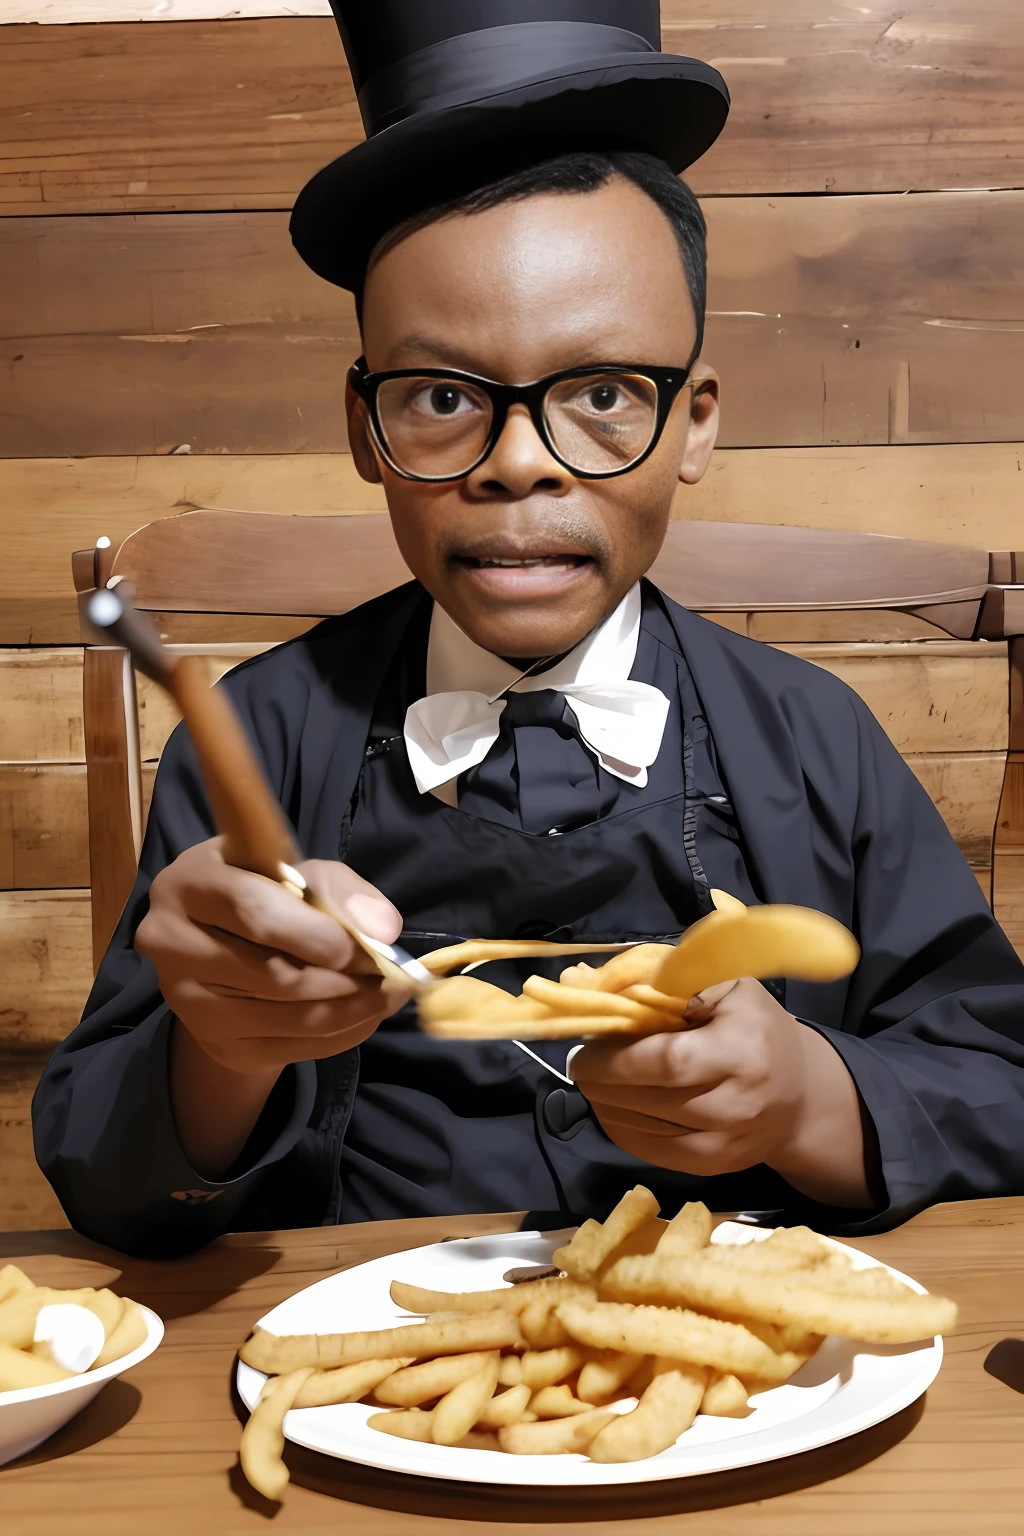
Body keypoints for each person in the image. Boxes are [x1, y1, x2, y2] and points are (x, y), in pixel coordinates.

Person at [34, 2, 1024, 1258]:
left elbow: (1001, 1081)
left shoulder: (814, 735)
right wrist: (219, 1048)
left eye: (603, 394)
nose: (516, 465)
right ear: (362, 427)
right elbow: (107, 1182)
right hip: (363, 1375)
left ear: (695, 421)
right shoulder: (256, 738)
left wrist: (807, 1096)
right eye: (442, 397)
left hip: (749, 1388)